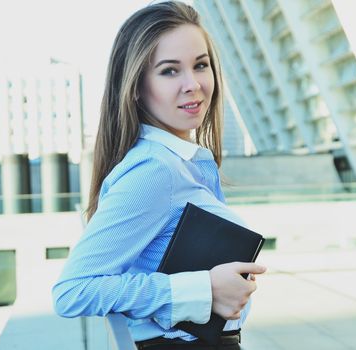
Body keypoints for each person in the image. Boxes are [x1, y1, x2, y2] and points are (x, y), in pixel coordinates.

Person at [51, 2, 266, 349]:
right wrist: (203, 289)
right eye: (169, 71)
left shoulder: (181, 162)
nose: (193, 84)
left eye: (201, 65)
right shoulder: (155, 170)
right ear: (136, 86)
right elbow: (73, 291)